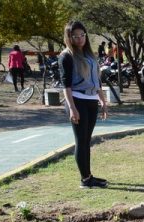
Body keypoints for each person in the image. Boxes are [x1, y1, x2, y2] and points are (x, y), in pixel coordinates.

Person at [59, 20, 109, 189]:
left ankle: (89, 176)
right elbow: (66, 84)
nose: (80, 39)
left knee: (87, 140)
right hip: (77, 100)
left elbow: (97, 79)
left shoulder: (89, 54)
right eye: (75, 36)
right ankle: (85, 180)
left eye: (82, 35)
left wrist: (102, 99)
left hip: (91, 100)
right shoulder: (66, 55)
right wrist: (72, 108)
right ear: (69, 37)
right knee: (81, 140)